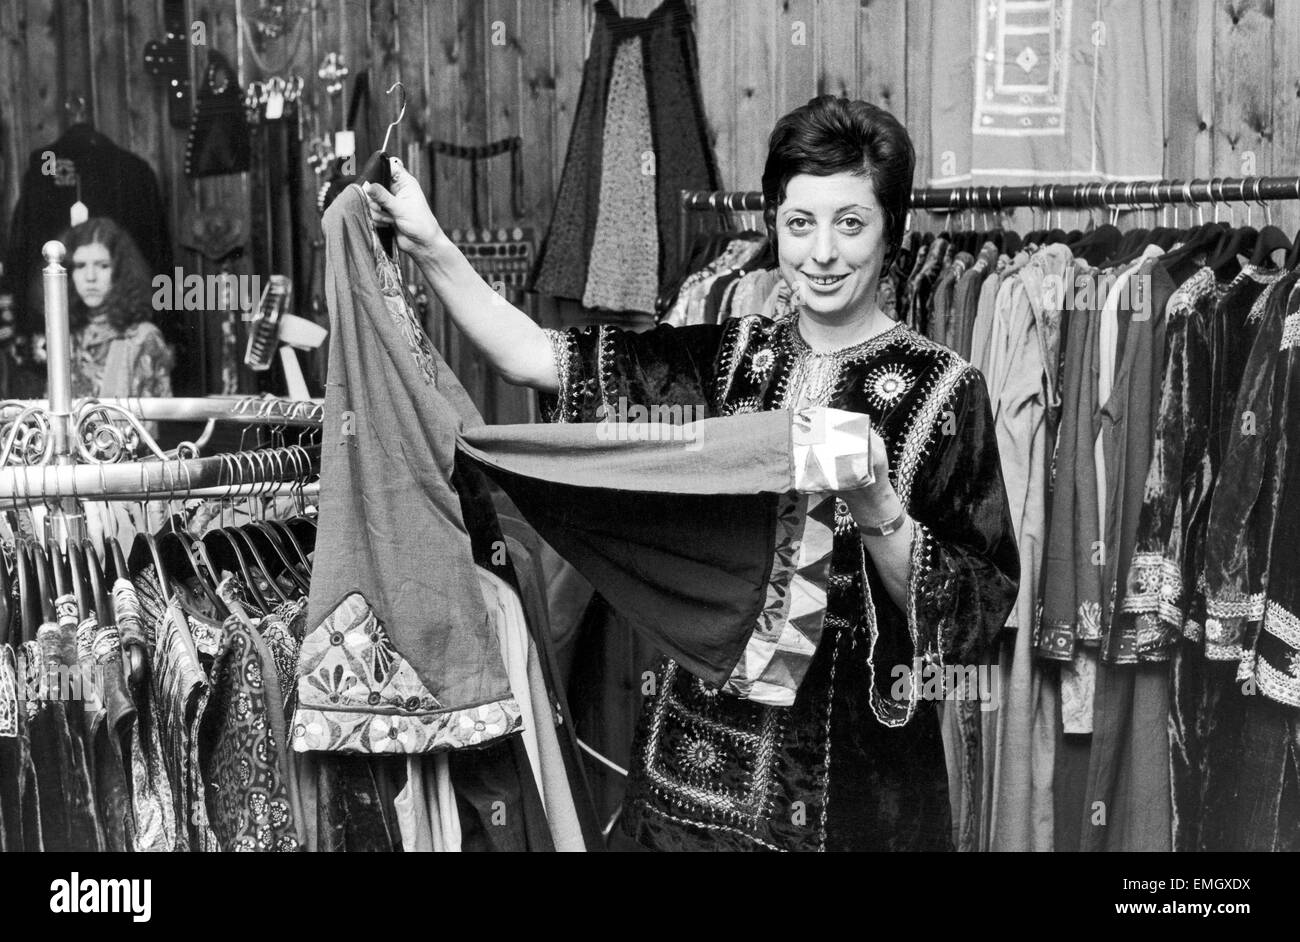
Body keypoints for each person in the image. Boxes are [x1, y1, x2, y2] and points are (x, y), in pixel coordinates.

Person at [364, 95, 1020, 851]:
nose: (822, 253)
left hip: (857, 783)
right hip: (691, 770)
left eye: (851, 223)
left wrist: (876, 502)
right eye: (800, 223)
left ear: (891, 232)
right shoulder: (726, 358)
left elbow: (972, 617)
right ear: (774, 226)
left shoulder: (944, 391)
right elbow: (535, 358)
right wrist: (429, 242)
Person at [62, 217, 173, 400]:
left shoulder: (143, 339)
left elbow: (152, 422)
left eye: (103, 266)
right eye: (81, 266)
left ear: (120, 271)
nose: (90, 277)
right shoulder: (66, 337)